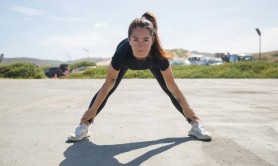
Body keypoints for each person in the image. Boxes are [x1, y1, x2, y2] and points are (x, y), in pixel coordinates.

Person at [68, 12, 211, 141]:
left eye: (146, 40)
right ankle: (83, 127)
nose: (140, 46)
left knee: (168, 91)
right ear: (129, 39)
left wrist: (187, 108)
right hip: (126, 62)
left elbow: (172, 87)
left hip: (152, 62)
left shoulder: (158, 56)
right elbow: (107, 85)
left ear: (152, 40)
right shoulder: (122, 53)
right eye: (135, 40)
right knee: (109, 90)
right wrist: (92, 110)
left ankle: (195, 125)